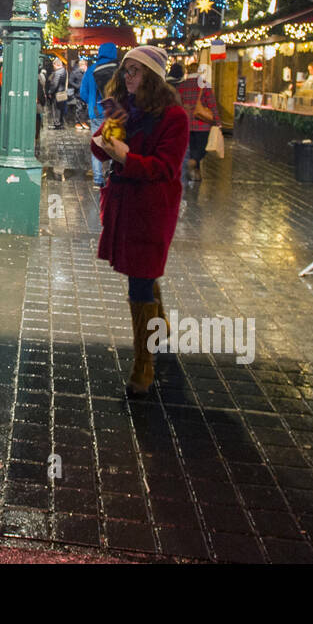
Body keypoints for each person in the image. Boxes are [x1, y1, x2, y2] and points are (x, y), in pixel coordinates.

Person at [90, 45, 188, 396]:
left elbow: (166, 167)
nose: (127, 76)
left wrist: (127, 157)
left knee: (140, 281)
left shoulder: (174, 117)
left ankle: (143, 366)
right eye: (125, 70)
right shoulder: (124, 107)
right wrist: (105, 139)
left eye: (134, 71)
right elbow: (99, 147)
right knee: (141, 273)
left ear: (153, 76)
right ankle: (161, 335)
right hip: (124, 202)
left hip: (152, 206)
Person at [79, 43, 119, 186]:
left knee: (97, 144)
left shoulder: (91, 70)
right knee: (115, 143)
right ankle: (113, 175)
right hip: (115, 113)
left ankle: (98, 178)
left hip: (96, 112)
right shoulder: (118, 69)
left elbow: (83, 93)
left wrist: (92, 102)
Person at [173, 62, 220, 181]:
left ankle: (196, 174)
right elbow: (212, 104)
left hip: (186, 123)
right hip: (202, 124)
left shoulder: (181, 86)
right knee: (201, 149)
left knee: (191, 148)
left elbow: (176, 104)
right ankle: (193, 163)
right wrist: (217, 121)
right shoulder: (204, 85)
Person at [48, 58, 68, 128]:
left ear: (56, 64)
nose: (53, 67)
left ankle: (57, 123)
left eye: (53, 65)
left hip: (57, 93)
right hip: (62, 92)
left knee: (56, 109)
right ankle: (60, 122)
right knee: (61, 108)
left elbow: (55, 84)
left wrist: (50, 92)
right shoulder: (64, 71)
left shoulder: (57, 72)